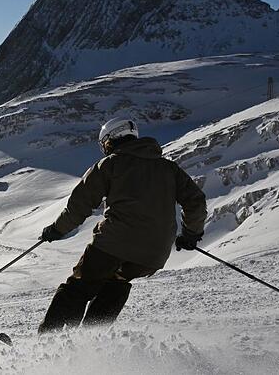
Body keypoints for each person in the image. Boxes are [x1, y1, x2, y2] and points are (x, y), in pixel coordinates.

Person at [37, 118, 207, 333]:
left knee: (79, 286)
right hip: (153, 254)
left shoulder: (110, 164)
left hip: (114, 243)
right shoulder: (168, 168)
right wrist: (191, 233)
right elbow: (196, 201)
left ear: (109, 141)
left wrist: (57, 229)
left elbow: (80, 205)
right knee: (115, 283)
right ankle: (90, 344)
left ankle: (47, 342)